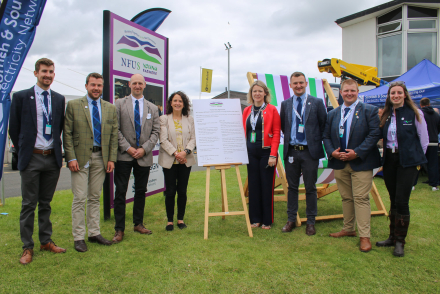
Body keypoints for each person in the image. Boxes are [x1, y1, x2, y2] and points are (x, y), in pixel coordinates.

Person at [9, 58, 67, 265]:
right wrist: (25, 148)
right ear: (35, 73)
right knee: (28, 204)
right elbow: (14, 128)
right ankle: (27, 247)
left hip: (51, 159)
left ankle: (46, 241)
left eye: (51, 72)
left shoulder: (59, 99)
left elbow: (60, 127)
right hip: (31, 157)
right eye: (44, 71)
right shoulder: (22, 97)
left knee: (46, 204)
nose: (48, 75)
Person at [323, 79, 381, 252]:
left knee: (361, 198)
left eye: (352, 91)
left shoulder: (369, 111)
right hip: (339, 162)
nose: (349, 93)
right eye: (346, 91)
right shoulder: (333, 113)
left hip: (361, 162)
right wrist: (332, 152)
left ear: (358, 92)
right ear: (340, 93)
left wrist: (357, 152)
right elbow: (325, 135)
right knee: (346, 197)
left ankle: (365, 236)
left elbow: (374, 134)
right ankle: (348, 229)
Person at [64, 73, 118, 252]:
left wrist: (111, 158)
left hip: (101, 158)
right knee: (79, 198)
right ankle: (78, 237)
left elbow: (113, 137)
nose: (96, 88)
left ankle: (94, 233)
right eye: (93, 85)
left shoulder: (110, 108)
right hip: (79, 159)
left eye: (99, 85)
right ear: (86, 86)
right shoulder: (73, 105)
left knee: (95, 197)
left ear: (103, 87)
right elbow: (68, 134)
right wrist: (70, 157)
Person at [376, 82, 428, 257]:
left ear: (405, 95)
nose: (396, 96)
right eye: (393, 93)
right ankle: (392, 236)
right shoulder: (386, 114)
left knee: (402, 200)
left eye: (399, 93)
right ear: (389, 96)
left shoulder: (415, 113)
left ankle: (400, 241)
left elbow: (424, 140)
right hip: (390, 159)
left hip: (408, 161)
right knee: (392, 199)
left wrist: (416, 159)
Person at [112, 74, 160, 243]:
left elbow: (156, 133)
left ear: (145, 85)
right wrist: (129, 148)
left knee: (141, 191)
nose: (137, 86)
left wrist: (144, 149)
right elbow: (115, 129)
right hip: (124, 155)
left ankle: (138, 223)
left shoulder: (153, 108)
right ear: (129, 84)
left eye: (140, 83)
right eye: (135, 83)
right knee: (120, 192)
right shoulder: (119, 104)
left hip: (143, 157)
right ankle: (119, 229)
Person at [279, 72, 327, 235]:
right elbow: (284, 127)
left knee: (310, 187)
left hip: (309, 153)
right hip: (292, 151)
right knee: (292, 187)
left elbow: (323, 126)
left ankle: (311, 222)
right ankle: (291, 219)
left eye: (301, 82)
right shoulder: (285, 104)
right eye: (295, 83)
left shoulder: (317, 102)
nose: (298, 85)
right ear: (290, 85)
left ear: (306, 83)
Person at [242, 81, 280, 230]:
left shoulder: (272, 110)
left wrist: (273, 155)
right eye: (254, 91)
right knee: (253, 186)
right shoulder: (247, 111)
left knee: (266, 186)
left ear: (265, 93)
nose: (257, 94)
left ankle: (267, 220)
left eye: (260, 91)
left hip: (266, 153)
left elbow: (277, 133)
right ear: (251, 94)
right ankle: (255, 219)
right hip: (250, 152)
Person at [158, 91, 196, 231]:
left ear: (184, 103)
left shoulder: (190, 119)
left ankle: (180, 219)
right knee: (170, 191)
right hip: (169, 160)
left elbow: (193, 138)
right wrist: (176, 154)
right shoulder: (163, 119)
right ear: (170, 103)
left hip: (185, 160)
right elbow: (163, 139)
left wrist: (185, 152)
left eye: (180, 101)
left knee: (182, 190)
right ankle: (169, 221)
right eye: (175, 100)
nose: (177, 103)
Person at [419, 98, 440, 191]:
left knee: (418, 163)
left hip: (422, 141)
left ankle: (413, 184)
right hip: (434, 141)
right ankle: (434, 184)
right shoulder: (436, 115)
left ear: (421, 105)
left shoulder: (420, 114)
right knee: (433, 164)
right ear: (429, 103)